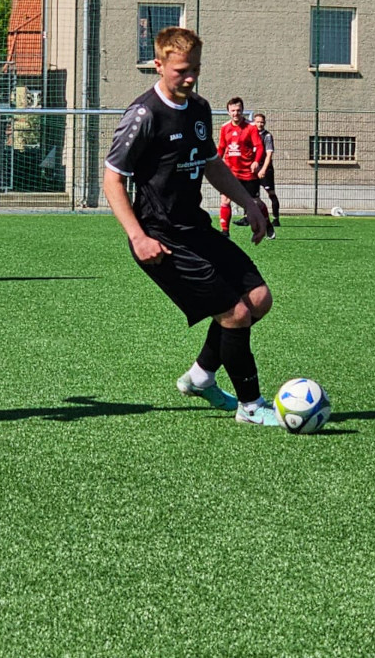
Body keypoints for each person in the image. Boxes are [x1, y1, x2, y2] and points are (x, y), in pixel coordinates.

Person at [102, 27, 282, 427]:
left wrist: (249, 203)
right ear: (159, 65)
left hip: (194, 228)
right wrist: (138, 237)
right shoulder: (143, 115)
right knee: (235, 313)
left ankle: (201, 376)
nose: (190, 77)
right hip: (159, 238)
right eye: (182, 70)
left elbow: (212, 164)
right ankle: (250, 406)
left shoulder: (200, 108)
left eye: (195, 69)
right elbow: (112, 179)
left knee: (259, 299)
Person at [217, 96, 269, 238]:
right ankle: (225, 232)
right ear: (228, 112)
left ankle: (267, 223)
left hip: (248, 172)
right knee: (225, 200)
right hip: (231, 172)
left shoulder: (250, 128)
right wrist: (215, 163)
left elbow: (259, 147)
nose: (236, 113)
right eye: (233, 111)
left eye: (238, 110)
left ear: (243, 111)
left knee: (255, 203)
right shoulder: (224, 128)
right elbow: (221, 148)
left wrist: (256, 161)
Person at [253, 112, 281, 227]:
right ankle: (247, 217)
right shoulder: (251, 134)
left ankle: (276, 218)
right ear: (254, 122)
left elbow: (269, 155)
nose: (260, 124)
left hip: (265, 169)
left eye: (262, 122)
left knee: (271, 193)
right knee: (250, 194)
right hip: (254, 169)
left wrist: (263, 169)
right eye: (258, 122)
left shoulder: (267, 136)